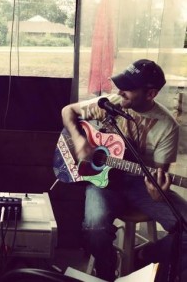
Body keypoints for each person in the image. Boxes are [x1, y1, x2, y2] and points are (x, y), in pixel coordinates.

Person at [61, 59, 187, 282]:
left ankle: (147, 256)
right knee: (94, 228)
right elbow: (67, 111)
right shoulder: (111, 103)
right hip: (103, 182)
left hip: (140, 185)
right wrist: (80, 140)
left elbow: (158, 176)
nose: (120, 91)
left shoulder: (167, 126)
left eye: (128, 87)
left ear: (150, 94)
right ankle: (106, 269)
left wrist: (157, 193)